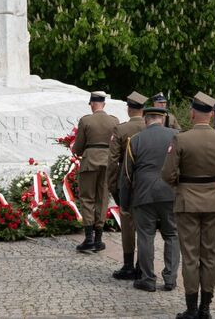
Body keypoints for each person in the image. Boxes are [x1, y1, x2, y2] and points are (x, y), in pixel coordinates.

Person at [162, 91, 215, 319]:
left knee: (190, 256)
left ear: (193, 112)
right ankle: (205, 308)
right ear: (211, 114)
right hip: (212, 201)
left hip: (187, 202)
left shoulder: (181, 139)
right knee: (210, 255)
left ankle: (192, 308)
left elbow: (167, 173)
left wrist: (180, 185)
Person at [124, 105, 181, 292]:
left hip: (144, 194)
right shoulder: (177, 136)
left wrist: (124, 202)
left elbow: (127, 174)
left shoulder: (136, 139)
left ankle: (148, 279)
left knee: (145, 237)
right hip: (171, 193)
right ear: (162, 119)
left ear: (145, 120)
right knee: (172, 235)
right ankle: (170, 278)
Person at [71, 91, 119, 253]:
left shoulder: (86, 120)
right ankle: (98, 239)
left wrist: (75, 150)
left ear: (92, 104)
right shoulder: (114, 121)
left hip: (90, 161)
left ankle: (89, 238)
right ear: (103, 104)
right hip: (107, 162)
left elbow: (78, 147)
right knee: (102, 198)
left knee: (87, 198)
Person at [108, 91, 148, 280]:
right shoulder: (152, 128)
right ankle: (142, 265)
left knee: (128, 223)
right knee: (145, 225)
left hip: (127, 182)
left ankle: (128, 264)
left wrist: (112, 184)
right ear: (143, 109)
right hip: (148, 183)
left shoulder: (121, 129)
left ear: (129, 109)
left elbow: (112, 161)